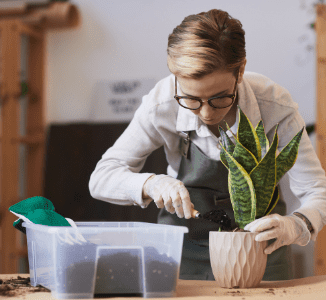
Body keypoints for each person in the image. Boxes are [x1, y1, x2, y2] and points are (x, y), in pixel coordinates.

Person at [89, 9, 326, 280]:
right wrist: (152, 184)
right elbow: (101, 178)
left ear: (241, 70)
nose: (205, 113)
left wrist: (298, 224)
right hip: (181, 253)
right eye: (191, 100)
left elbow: (318, 192)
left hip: (260, 254)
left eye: (219, 98)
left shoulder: (275, 106)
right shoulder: (161, 103)